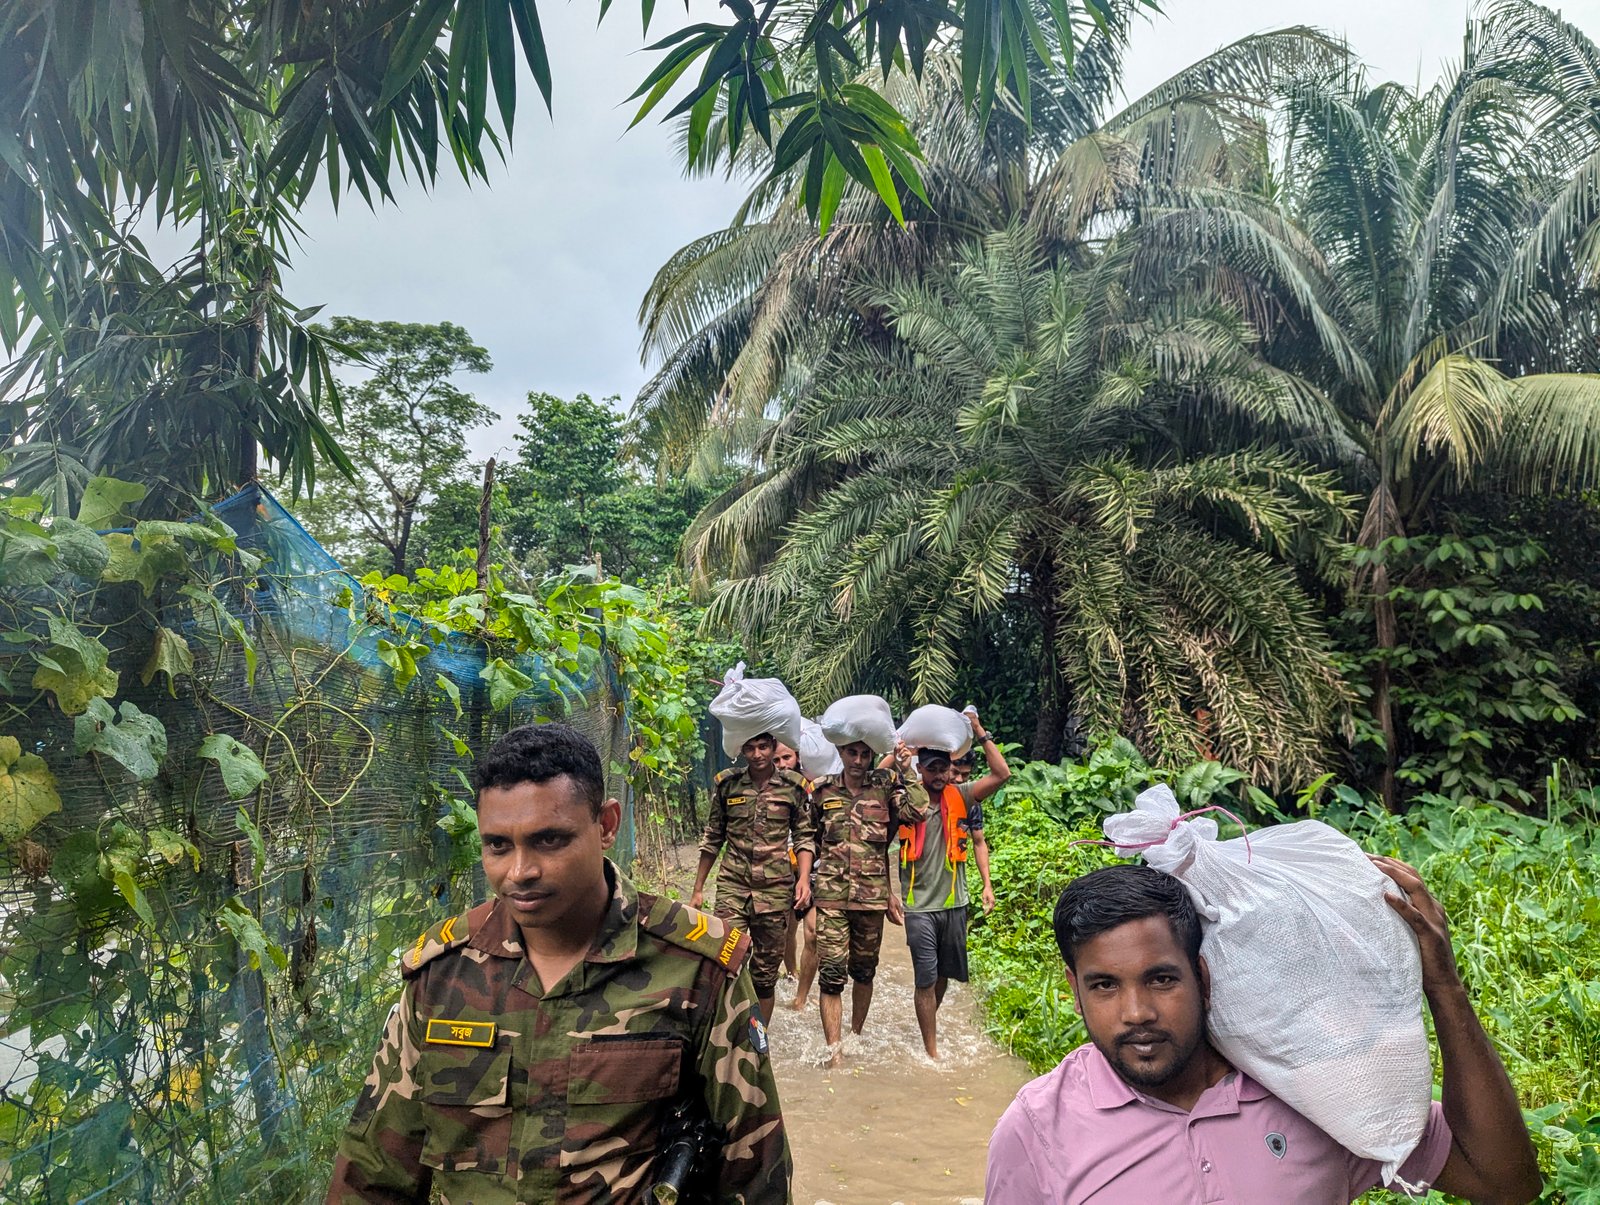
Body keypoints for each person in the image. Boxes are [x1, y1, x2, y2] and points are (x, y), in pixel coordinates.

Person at [328, 723, 791, 1204]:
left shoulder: (697, 970)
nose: (520, 872)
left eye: (549, 840)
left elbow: (754, 1172)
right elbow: (373, 1170)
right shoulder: (441, 976)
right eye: (497, 845)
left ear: (607, 825)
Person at [984, 861, 1542, 1204]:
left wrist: (1444, 988)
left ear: (1201, 974)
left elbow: (1504, 1182)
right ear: (1074, 988)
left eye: (1161, 979)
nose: (1136, 1013)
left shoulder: (1311, 1087)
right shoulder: (1037, 1128)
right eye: (1104, 985)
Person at [810, 733, 929, 1066]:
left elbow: (918, 811)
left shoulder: (886, 784)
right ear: (841, 752)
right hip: (831, 897)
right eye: (852, 753)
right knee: (831, 973)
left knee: (863, 972)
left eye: (864, 754)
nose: (858, 760)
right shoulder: (822, 790)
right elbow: (811, 837)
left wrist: (907, 768)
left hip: (871, 899)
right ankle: (834, 1052)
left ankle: (855, 1036)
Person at [899, 708, 1006, 1059]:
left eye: (945, 768)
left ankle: (927, 1026)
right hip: (919, 908)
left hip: (954, 904)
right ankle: (932, 1052)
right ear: (921, 769)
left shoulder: (961, 795)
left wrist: (978, 729)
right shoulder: (905, 799)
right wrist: (900, 752)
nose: (942, 775)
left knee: (943, 977)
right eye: (934, 769)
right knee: (926, 979)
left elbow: (1001, 773)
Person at [689, 731, 813, 1024]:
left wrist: (804, 879)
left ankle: (759, 1040)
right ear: (741, 750)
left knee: (765, 974)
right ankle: (722, 1032)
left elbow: (805, 837)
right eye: (750, 748)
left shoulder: (794, 787)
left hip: (775, 891)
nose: (757, 754)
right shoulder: (728, 785)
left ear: (773, 747)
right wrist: (698, 889)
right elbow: (713, 838)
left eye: (763, 747)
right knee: (722, 959)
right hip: (734, 885)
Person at [773, 741, 804, 980]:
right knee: (786, 928)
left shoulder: (811, 788)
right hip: (778, 868)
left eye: (787, 758)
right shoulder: (766, 790)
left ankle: (800, 977)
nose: (782, 765)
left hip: (807, 868)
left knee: (810, 931)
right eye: (776, 760)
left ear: (798, 757)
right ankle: (792, 973)